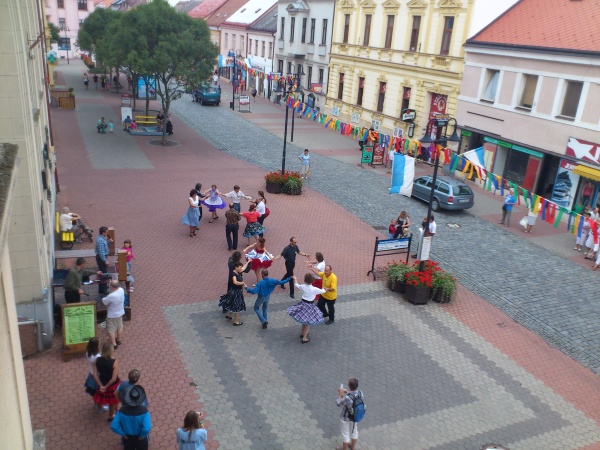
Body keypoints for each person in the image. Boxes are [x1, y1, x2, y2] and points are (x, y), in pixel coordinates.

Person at [110, 384, 152, 450]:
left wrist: (123, 434)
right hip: (140, 438)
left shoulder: (122, 411)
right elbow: (147, 428)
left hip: (128, 437)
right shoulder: (144, 411)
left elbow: (114, 426)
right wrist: (142, 436)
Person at [287, 274, 325, 343]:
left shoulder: (303, 286)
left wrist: (295, 278)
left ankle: (302, 333)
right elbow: (322, 291)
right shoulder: (314, 289)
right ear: (313, 280)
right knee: (308, 322)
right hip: (310, 306)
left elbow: (297, 285)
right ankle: (304, 338)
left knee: (304, 319)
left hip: (303, 304)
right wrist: (325, 289)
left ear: (305, 280)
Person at [93, 341, 121, 421]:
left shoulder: (97, 360)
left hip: (102, 382)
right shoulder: (114, 362)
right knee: (113, 401)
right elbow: (113, 378)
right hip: (112, 385)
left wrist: (101, 386)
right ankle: (111, 416)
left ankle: (116, 411)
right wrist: (106, 386)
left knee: (113, 400)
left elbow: (95, 374)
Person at [218, 261, 249, 326]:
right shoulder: (233, 274)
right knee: (238, 306)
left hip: (235, 291)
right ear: (236, 267)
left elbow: (243, 268)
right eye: (239, 267)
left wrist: (248, 262)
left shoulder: (238, 272)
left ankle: (229, 315)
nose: (241, 269)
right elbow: (235, 282)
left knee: (233, 303)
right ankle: (236, 321)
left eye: (241, 267)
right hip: (236, 292)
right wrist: (242, 283)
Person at [337, 378, 363, 450]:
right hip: (355, 416)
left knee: (345, 434)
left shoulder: (347, 398)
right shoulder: (360, 393)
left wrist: (340, 393)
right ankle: (352, 447)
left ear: (349, 386)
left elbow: (338, 403)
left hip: (345, 417)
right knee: (354, 431)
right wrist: (348, 392)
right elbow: (354, 395)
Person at [84, 337, 107, 411]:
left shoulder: (88, 353)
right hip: (97, 375)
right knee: (98, 392)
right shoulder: (97, 356)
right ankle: (101, 407)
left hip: (91, 374)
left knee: (93, 392)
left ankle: (96, 404)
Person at [103, 280, 125, 350]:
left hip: (112, 314)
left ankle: (114, 344)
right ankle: (118, 340)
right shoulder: (121, 290)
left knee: (111, 329)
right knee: (119, 326)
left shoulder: (112, 295)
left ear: (111, 287)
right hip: (120, 311)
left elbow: (104, 301)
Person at [95, 226, 113, 295]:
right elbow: (101, 252)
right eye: (107, 232)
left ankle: (103, 288)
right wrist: (105, 261)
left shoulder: (102, 238)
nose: (108, 232)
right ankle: (103, 290)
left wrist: (109, 242)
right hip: (101, 258)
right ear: (103, 232)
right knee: (104, 274)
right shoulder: (100, 241)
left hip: (102, 257)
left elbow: (104, 246)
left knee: (103, 273)